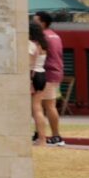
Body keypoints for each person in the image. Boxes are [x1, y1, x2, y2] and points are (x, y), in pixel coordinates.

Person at [30, 14, 65, 145]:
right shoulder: (55, 35)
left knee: (44, 106)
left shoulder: (41, 38)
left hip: (46, 73)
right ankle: (42, 133)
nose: (32, 23)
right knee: (47, 105)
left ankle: (54, 136)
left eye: (35, 21)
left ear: (43, 23)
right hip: (56, 72)